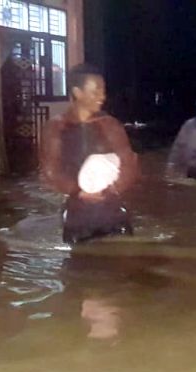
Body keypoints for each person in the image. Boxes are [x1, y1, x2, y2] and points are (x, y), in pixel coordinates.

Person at [40, 64, 139, 244]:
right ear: (77, 92)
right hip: (77, 214)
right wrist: (78, 190)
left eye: (103, 91)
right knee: (78, 267)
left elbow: (129, 163)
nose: (102, 97)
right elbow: (50, 171)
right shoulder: (55, 127)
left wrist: (112, 188)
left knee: (124, 263)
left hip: (112, 211)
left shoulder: (110, 125)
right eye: (96, 91)